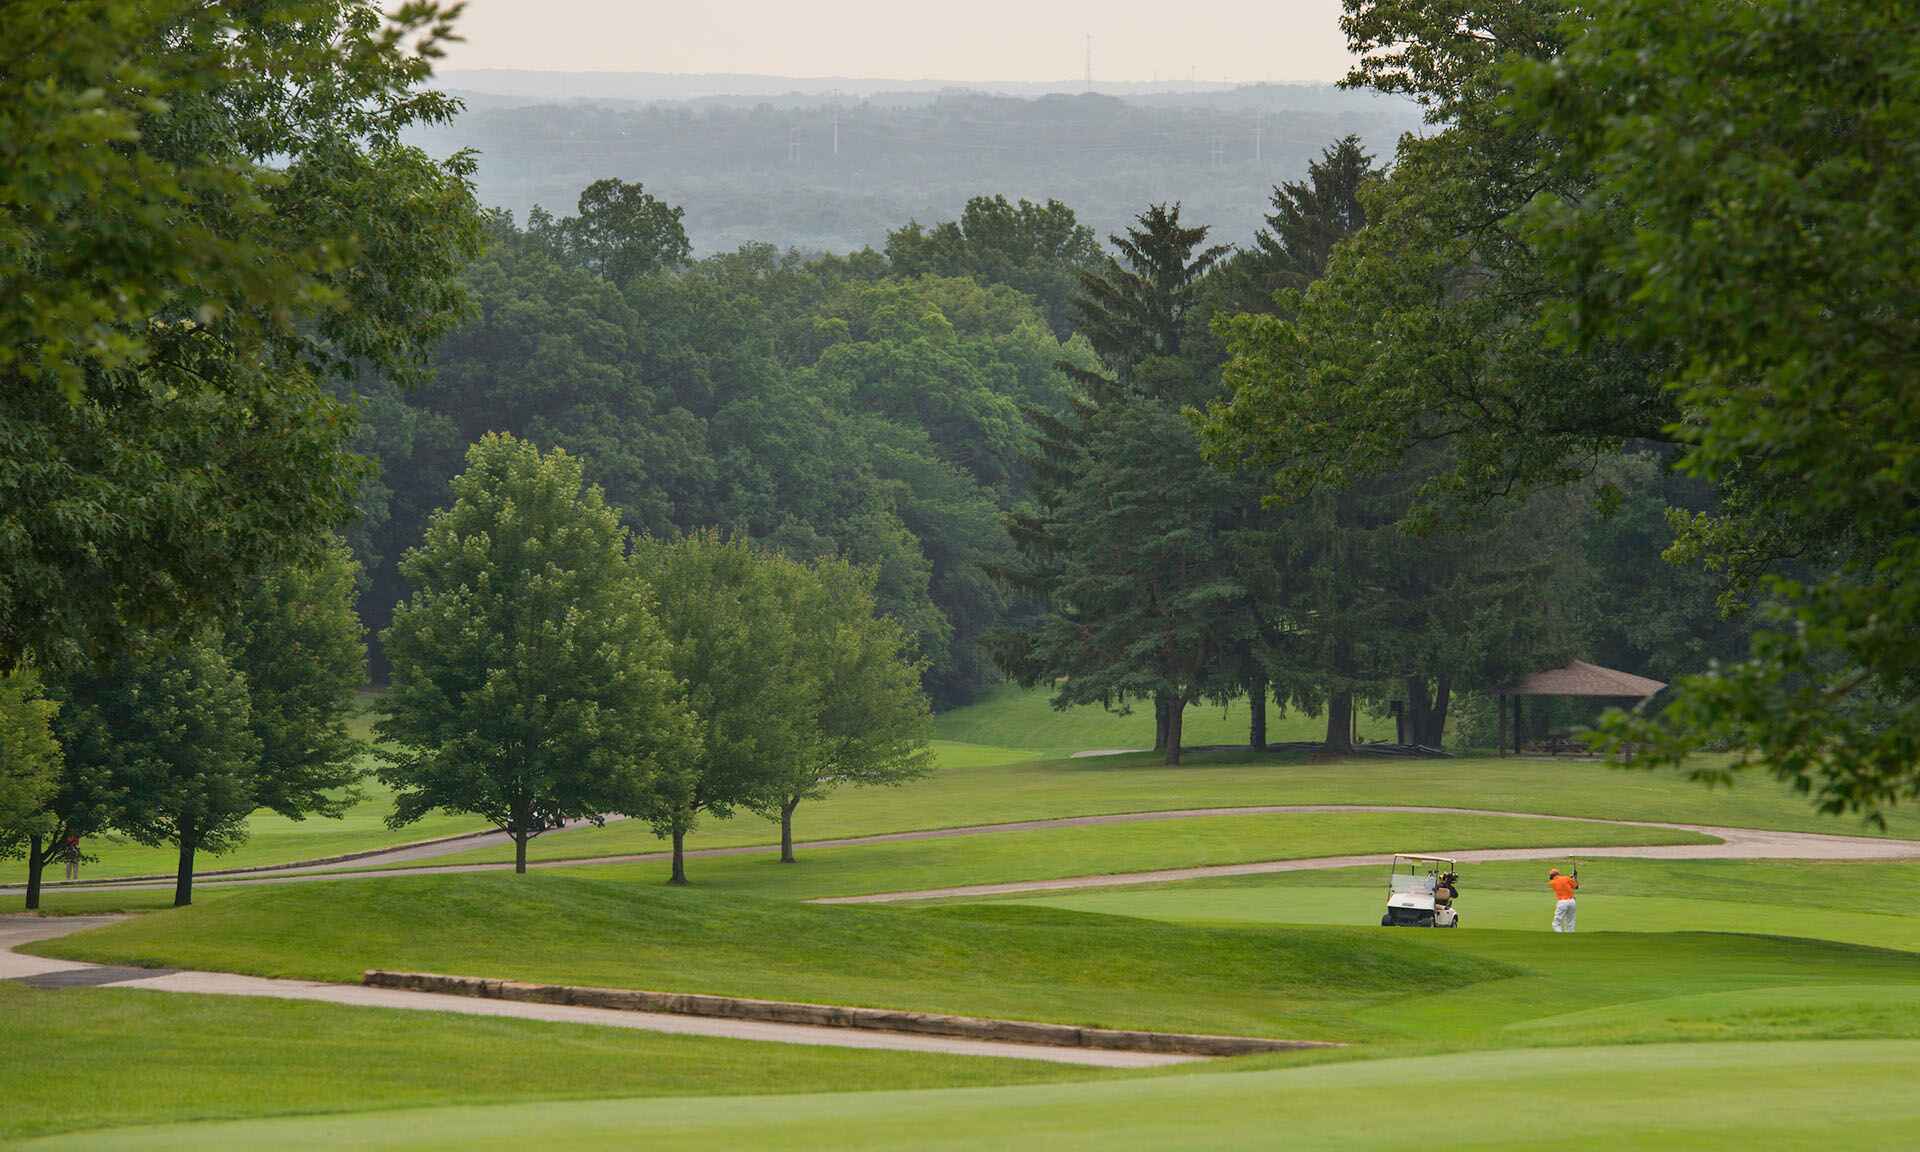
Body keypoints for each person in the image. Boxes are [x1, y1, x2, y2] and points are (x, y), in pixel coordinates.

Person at [1547, 866, 1579, 932]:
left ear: (1551, 876)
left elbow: (1560, 882)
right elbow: (1576, 886)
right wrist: (1574, 878)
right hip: (1572, 902)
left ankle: (1560, 936)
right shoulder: (1566, 878)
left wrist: (1572, 877)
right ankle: (1570, 935)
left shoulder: (1551, 883)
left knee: (1556, 923)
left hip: (1562, 902)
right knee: (1570, 921)